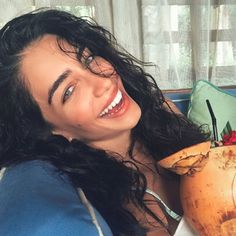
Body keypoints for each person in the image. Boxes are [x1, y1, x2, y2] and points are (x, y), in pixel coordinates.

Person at [0, 9, 207, 236]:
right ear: (47, 130)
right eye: (69, 90)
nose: (103, 83)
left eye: (88, 59)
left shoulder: (166, 114)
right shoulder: (97, 203)